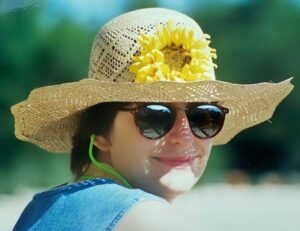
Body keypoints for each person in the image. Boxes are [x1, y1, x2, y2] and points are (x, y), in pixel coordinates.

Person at [11, 8, 293, 231]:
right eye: (156, 117)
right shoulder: (145, 218)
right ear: (99, 132)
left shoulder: (40, 210)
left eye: (204, 117)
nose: (184, 135)